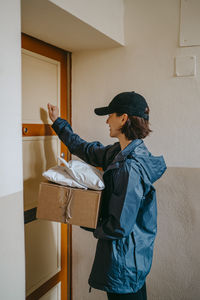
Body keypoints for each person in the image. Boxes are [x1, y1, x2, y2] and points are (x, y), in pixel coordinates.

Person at [47, 91, 167, 300]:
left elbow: (119, 226)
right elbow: (86, 149)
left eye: (110, 115)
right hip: (132, 260)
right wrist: (58, 123)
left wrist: (86, 219)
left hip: (124, 264)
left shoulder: (129, 167)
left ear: (124, 118)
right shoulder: (118, 153)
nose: (107, 120)